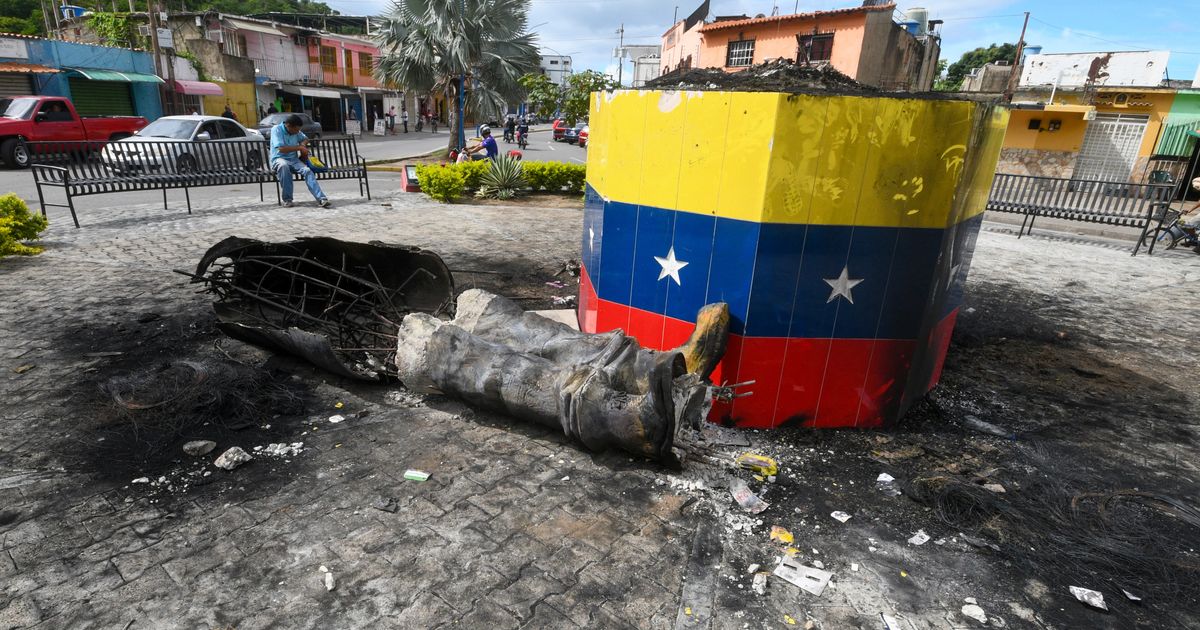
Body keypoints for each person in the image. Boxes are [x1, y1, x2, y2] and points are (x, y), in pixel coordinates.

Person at [270, 114, 330, 208]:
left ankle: (321, 198)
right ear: (288, 125)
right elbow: (281, 148)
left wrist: (302, 145)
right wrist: (299, 148)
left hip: (294, 160)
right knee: (283, 166)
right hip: (279, 159)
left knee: (307, 171)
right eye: (296, 130)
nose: (298, 132)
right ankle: (288, 200)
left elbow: (305, 139)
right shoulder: (276, 129)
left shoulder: (296, 131)